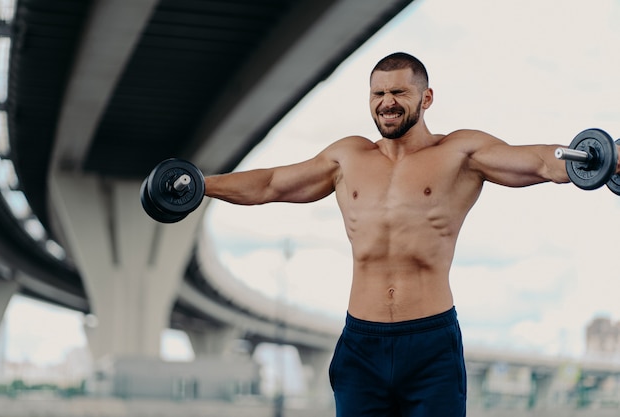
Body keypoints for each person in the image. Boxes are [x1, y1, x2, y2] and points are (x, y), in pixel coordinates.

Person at [203, 52, 620, 416]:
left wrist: (600, 159)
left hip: (430, 344)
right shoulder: (346, 157)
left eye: (399, 93)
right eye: (378, 94)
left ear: (426, 98)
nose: (387, 103)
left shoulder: (460, 153)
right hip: (360, 344)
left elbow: (538, 162)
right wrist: (200, 184)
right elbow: (272, 183)